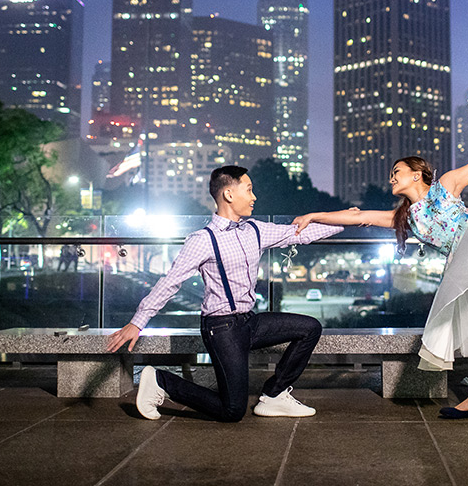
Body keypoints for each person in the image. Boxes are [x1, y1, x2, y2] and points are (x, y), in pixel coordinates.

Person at [294, 53, 468, 419]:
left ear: (418, 174)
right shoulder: (407, 219)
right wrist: (313, 215)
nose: (392, 177)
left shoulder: (445, 186)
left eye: (397, 171)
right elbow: (358, 217)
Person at [107, 165, 343, 422]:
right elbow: (170, 282)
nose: (254, 197)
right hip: (221, 329)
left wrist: (351, 219)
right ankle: (161, 380)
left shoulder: (255, 230)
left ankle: (274, 396)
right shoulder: (203, 239)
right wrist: (137, 322)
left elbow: (300, 234)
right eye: (249, 190)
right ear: (229, 195)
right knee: (232, 411)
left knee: (310, 328)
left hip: (249, 322)